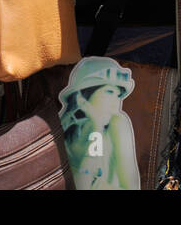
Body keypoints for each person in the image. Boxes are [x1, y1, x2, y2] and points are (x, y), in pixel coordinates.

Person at [58, 56, 142, 190]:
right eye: (109, 91)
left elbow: (132, 187)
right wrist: (96, 128)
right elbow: (82, 185)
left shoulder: (117, 123)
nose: (116, 102)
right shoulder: (66, 132)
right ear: (81, 98)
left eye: (118, 95)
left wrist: (96, 129)